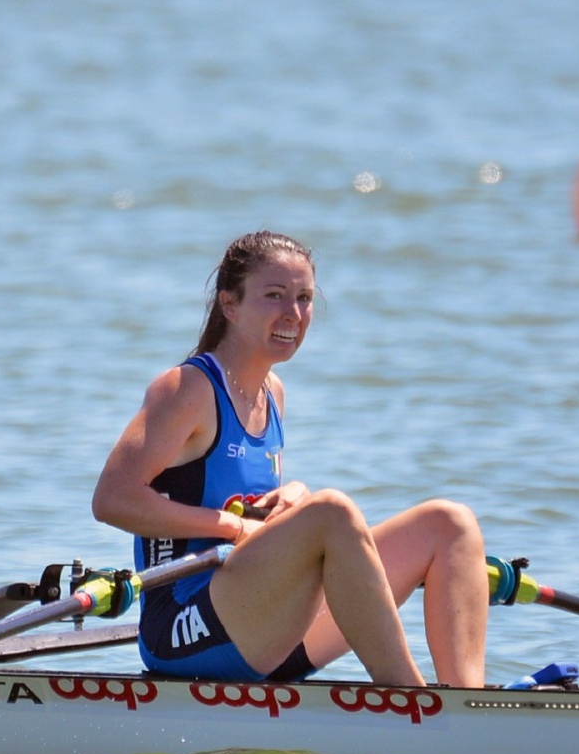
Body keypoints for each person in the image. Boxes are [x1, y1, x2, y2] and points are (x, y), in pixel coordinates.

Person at [91, 230, 488, 688]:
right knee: (332, 510)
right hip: (183, 630)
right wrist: (234, 526)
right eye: (274, 296)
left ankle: (465, 702)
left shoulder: (272, 394)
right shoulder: (187, 390)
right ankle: (411, 699)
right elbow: (113, 500)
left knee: (449, 522)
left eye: (304, 298)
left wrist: (292, 497)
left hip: (259, 622)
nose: (293, 314)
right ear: (230, 305)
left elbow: (253, 508)